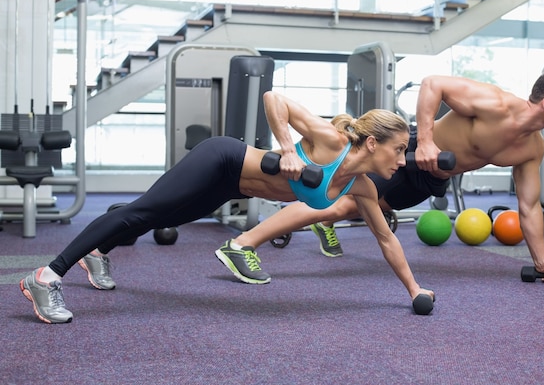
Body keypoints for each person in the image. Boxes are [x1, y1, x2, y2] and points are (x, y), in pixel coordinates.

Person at [19, 90, 435, 324]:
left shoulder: (360, 187)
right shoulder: (330, 140)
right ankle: (46, 275)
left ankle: (99, 249)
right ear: (372, 143)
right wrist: (289, 149)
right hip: (222, 159)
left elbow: (386, 240)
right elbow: (276, 99)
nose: (402, 161)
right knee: (144, 213)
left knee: (155, 215)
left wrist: (414, 289)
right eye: (399, 150)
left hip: (231, 189)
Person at [218, 71, 544, 284]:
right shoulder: (495, 104)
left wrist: (542, 263)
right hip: (406, 155)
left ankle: (321, 224)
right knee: (343, 202)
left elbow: (529, 205)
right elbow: (432, 85)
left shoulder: (532, 149)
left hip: (430, 181)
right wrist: (425, 141)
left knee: (360, 208)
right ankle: (243, 244)